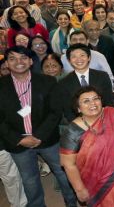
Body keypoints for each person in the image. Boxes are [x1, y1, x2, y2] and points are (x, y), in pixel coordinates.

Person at [0, 46, 77, 207]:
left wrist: (39, 136)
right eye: (12, 58)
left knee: (62, 172)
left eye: (23, 58)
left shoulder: (47, 81)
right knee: (29, 179)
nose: (18, 62)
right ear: (6, 63)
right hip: (18, 143)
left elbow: (55, 112)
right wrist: (19, 140)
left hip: (48, 139)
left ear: (30, 61)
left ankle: (71, 202)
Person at [59, 86, 114, 206]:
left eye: (95, 98)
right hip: (96, 182)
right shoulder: (73, 131)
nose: (92, 103)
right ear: (78, 108)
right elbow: (68, 164)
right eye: (86, 101)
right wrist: (79, 189)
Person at [57, 43, 114, 121]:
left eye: (82, 55)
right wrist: (81, 126)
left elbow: (109, 102)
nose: (78, 59)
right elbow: (68, 110)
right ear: (69, 61)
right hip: (80, 125)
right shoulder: (63, 83)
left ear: (89, 58)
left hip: (103, 120)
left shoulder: (102, 76)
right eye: (74, 57)